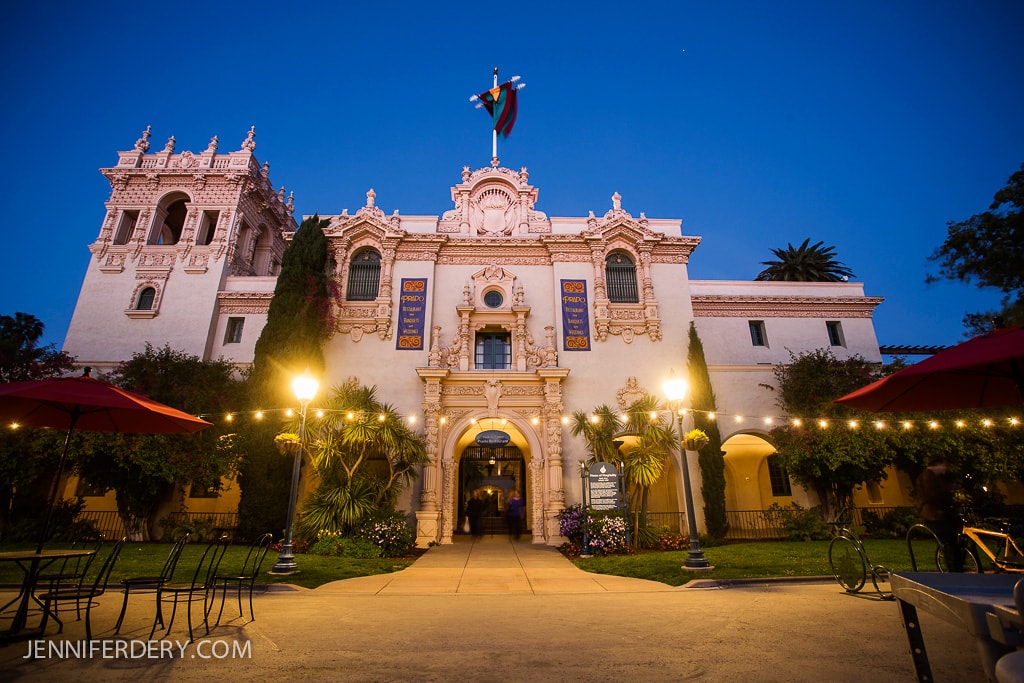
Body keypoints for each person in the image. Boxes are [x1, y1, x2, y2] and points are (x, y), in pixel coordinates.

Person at [916, 457, 965, 572]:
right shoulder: (928, 477)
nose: (944, 469)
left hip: (937, 514)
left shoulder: (930, 477)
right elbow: (934, 495)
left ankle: (956, 565)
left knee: (952, 542)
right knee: (950, 542)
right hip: (936, 516)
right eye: (943, 466)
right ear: (937, 465)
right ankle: (955, 568)